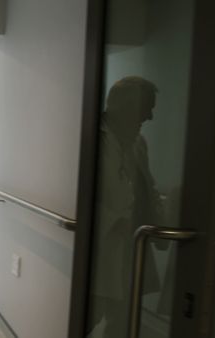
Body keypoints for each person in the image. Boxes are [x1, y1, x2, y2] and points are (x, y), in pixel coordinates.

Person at [87, 76, 166, 337]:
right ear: (125, 107)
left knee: (122, 320)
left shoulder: (138, 143)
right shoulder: (91, 138)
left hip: (132, 246)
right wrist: (115, 220)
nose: (151, 116)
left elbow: (147, 187)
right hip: (101, 247)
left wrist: (161, 222)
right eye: (147, 108)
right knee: (89, 314)